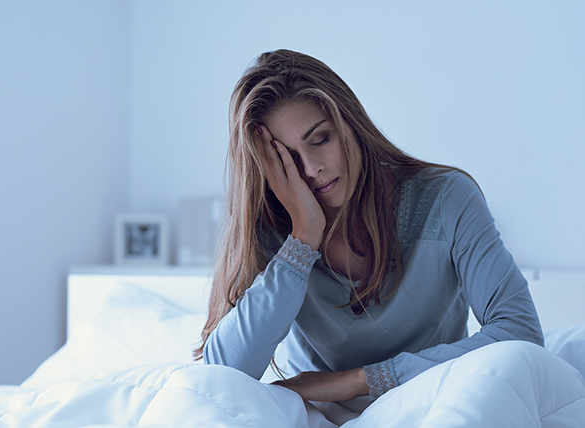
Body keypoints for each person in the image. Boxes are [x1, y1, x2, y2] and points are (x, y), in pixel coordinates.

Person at [194, 49, 544, 405]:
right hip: (316, 415)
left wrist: (360, 381)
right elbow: (222, 374)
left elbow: (521, 334)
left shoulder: (445, 199)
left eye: (321, 139)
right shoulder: (274, 232)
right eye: (288, 160)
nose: (311, 169)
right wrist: (303, 240)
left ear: (351, 124)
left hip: (431, 402)